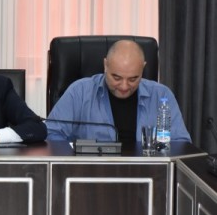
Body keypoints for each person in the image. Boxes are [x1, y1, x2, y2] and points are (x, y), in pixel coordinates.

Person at [46, 39, 191, 143]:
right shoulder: (80, 92)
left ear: (143, 67)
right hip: (91, 171)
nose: (124, 86)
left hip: (147, 173)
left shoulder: (161, 96)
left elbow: (181, 143)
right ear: (105, 65)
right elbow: (51, 133)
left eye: (133, 79)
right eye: (116, 77)